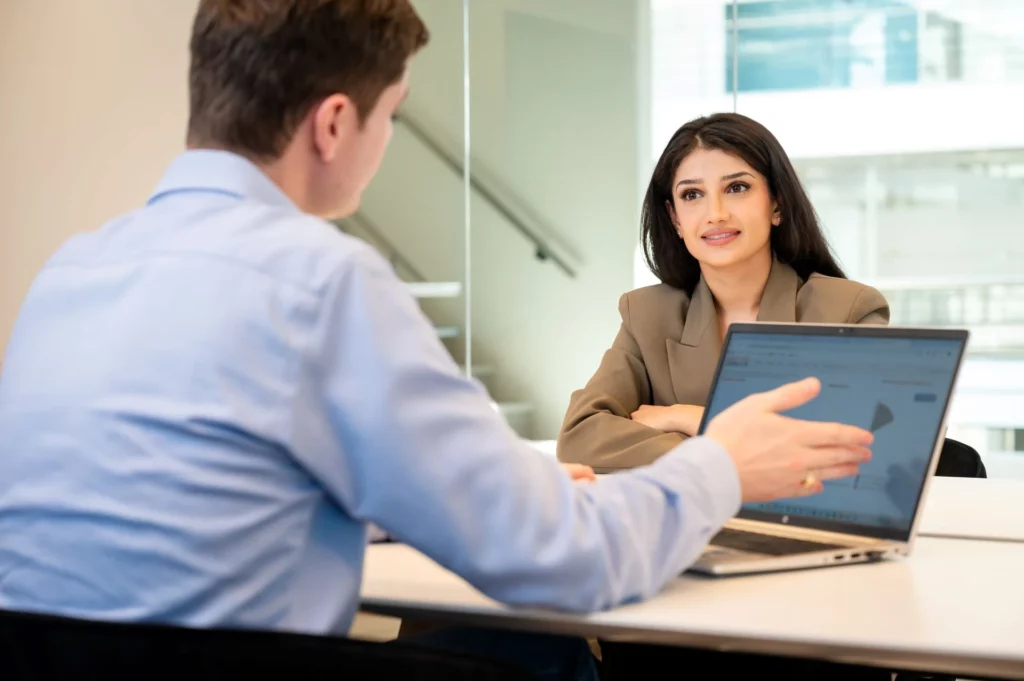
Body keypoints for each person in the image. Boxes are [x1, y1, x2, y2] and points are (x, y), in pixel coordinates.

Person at [0, 3, 873, 680]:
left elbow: (196, 492)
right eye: (394, 118)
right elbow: (565, 560)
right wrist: (720, 459)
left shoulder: (73, 271)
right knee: (562, 651)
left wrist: (401, 503)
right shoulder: (321, 279)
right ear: (335, 124)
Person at [558, 113, 890, 472]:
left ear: (776, 204)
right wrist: (721, 450)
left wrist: (694, 419)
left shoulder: (849, 309)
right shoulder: (647, 314)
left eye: (736, 188)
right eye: (692, 194)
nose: (715, 213)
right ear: (675, 219)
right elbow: (580, 436)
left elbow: (869, 448)